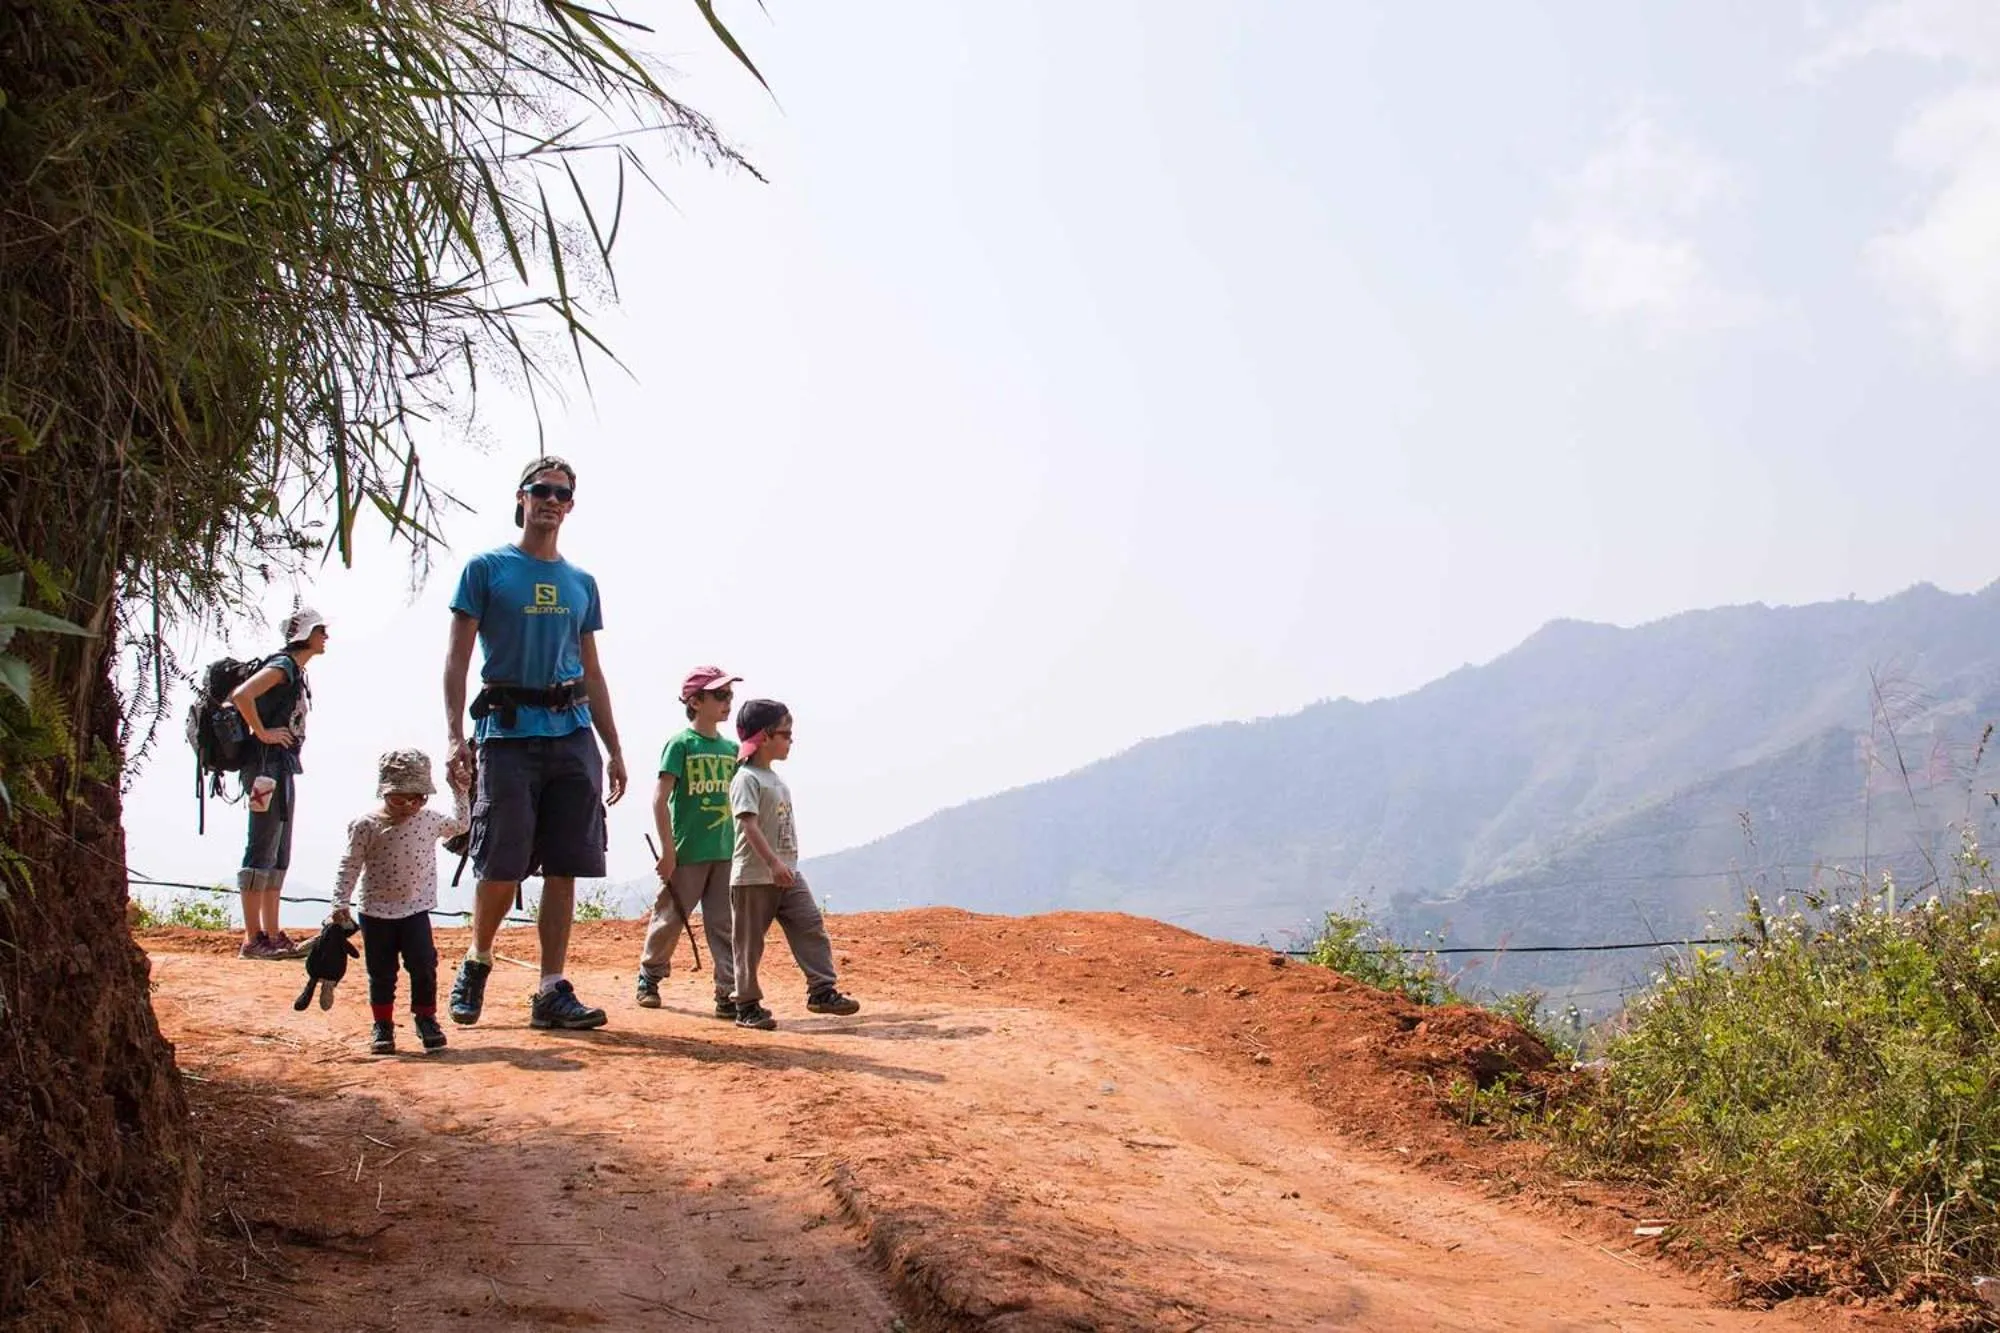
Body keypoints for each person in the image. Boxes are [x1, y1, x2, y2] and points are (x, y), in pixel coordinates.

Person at [443, 456, 628, 1031]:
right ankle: (477, 960)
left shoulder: (581, 584)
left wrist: (614, 748)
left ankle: (551, 988)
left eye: (562, 494)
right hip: (506, 734)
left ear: (571, 506)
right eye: (541, 491)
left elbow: (593, 671)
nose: (551, 500)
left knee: (565, 864)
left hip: (572, 734)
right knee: (502, 861)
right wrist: (454, 737)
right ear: (521, 497)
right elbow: (456, 659)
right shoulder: (486, 570)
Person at [726, 698, 859, 1030]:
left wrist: (785, 865)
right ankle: (746, 1004)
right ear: (766, 736)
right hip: (755, 875)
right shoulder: (747, 779)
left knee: (810, 923)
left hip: (787, 871)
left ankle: (822, 990)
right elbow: (748, 825)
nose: (790, 740)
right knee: (748, 943)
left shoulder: (776, 779)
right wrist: (772, 863)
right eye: (785, 734)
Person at [331, 749, 472, 1056]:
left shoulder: (429, 820)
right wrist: (340, 901)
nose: (410, 806)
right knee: (381, 972)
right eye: (400, 799)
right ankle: (382, 1025)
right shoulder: (365, 825)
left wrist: (459, 791)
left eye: (418, 798)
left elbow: (461, 826)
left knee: (423, 965)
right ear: (386, 792)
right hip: (375, 912)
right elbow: (350, 863)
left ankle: (426, 1018)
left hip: (415, 910)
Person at [635, 666, 742, 1016]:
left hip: (724, 851)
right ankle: (650, 975)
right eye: (720, 695)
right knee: (670, 917)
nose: (728, 702)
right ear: (695, 702)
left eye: (729, 695)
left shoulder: (731, 749)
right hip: (687, 852)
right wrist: (668, 851)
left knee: (724, 924)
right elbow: (660, 797)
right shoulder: (681, 744)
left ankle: (728, 991)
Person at [229, 605, 327, 960]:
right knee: (261, 846)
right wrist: (263, 732)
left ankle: (271, 934)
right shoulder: (283, 666)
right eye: (320, 630)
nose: (325, 637)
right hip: (265, 767)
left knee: (278, 850)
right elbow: (242, 695)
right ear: (304, 635)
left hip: (280, 766)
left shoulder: (294, 671)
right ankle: (253, 937)